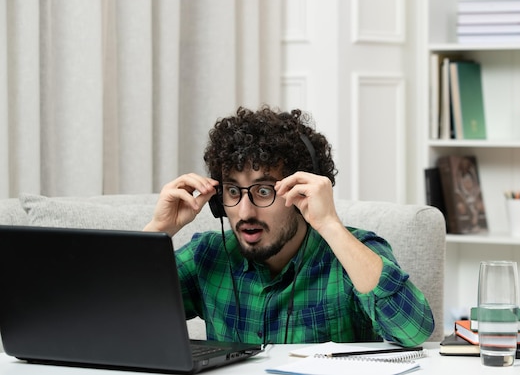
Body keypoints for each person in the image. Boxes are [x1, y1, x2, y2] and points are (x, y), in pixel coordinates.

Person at [144, 106, 434, 346]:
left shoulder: (353, 255)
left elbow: (413, 331)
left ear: (301, 193)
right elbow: (109, 311)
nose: (245, 212)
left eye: (264, 191)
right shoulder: (207, 255)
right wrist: (158, 229)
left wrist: (330, 224)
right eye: (233, 192)